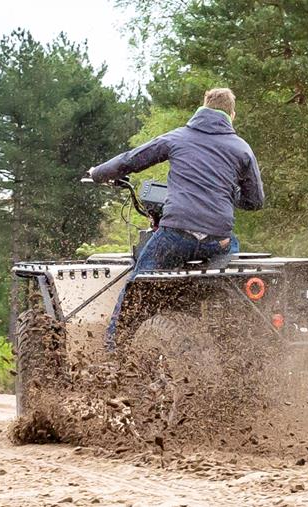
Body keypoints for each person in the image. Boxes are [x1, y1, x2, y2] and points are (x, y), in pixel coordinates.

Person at [87, 88, 264, 349]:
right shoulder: (241, 149)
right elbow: (255, 201)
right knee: (225, 270)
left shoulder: (178, 138)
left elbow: (130, 160)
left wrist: (97, 173)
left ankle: (115, 350)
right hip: (218, 241)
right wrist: (226, 190)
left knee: (137, 285)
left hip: (176, 235)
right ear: (231, 115)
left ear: (203, 107)